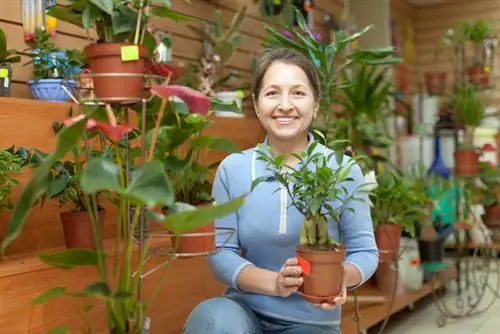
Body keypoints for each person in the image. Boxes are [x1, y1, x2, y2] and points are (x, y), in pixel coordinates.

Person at [183, 47, 378, 334]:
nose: (285, 105)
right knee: (211, 320)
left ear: (316, 104)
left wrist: (340, 277)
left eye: (298, 93)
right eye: (272, 93)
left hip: (310, 322)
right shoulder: (233, 169)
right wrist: (275, 283)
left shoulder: (342, 170)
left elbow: (365, 252)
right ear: (256, 103)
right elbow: (220, 254)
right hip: (243, 313)